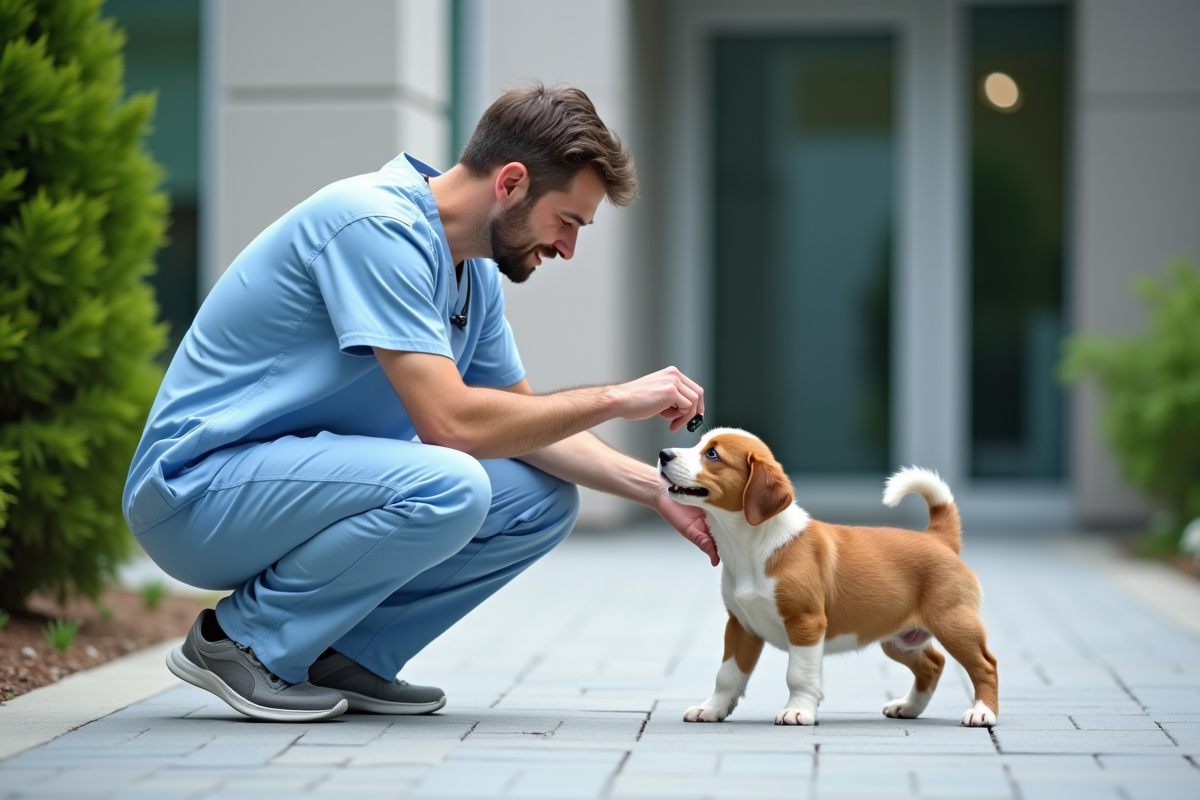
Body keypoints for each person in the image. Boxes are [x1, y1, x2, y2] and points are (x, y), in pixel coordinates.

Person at [122, 84, 717, 722]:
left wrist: (658, 489)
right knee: (453, 480)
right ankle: (241, 643)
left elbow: (524, 427)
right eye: (567, 222)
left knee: (538, 499)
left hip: (279, 490)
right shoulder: (375, 225)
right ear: (511, 182)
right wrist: (616, 398)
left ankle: (341, 653)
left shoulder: (474, 274)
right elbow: (451, 425)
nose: (567, 248)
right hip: (195, 494)